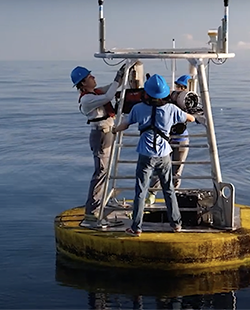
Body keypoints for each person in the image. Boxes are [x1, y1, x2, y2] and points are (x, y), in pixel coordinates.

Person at [113, 74, 195, 236]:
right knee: (169, 190)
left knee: (141, 191)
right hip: (164, 154)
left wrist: (114, 130)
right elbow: (191, 119)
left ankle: (136, 227)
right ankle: (176, 224)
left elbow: (125, 124)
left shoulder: (138, 108)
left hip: (145, 155)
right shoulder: (171, 109)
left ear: (147, 93)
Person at [71, 64, 127, 221]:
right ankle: (93, 209)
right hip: (101, 135)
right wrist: (117, 77)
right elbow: (108, 97)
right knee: (101, 172)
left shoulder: (95, 93)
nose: (93, 78)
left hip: (107, 132)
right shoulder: (88, 99)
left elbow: (111, 88)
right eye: (90, 77)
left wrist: (122, 75)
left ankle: (100, 201)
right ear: (82, 83)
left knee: (105, 171)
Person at [146, 74, 192, 205]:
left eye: (182, 87)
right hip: (168, 140)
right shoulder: (169, 103)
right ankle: (152, 193)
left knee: (176, 170)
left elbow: (192, 117)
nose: (179, 89)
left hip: (181, 139)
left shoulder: (184, 103)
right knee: (159, 168)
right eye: (178, 87)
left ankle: (173, 196)